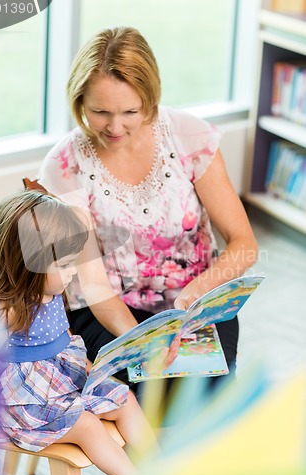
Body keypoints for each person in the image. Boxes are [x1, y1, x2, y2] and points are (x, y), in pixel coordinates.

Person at [37, 26, 258, 386]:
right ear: (79, 102)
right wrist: (144, 339)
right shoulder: (65, 165)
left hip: (195, 300)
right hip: (109, 310)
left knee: (206, 393)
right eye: (99, 111)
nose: (114, 126)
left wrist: (193, 297)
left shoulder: (189, 137)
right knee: (142, 393)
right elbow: (94, 285)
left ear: (150, 97)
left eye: (130, 111)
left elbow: (244, 244)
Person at [0, 190, 158, 475]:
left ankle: (162, 470)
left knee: (125, 397)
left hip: (61, 379)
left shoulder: (51, 289)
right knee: (87, 425)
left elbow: (65, 336)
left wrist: (90, 367)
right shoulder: (10, 310)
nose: (72, 272)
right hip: (26, 401)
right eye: (64, 264)